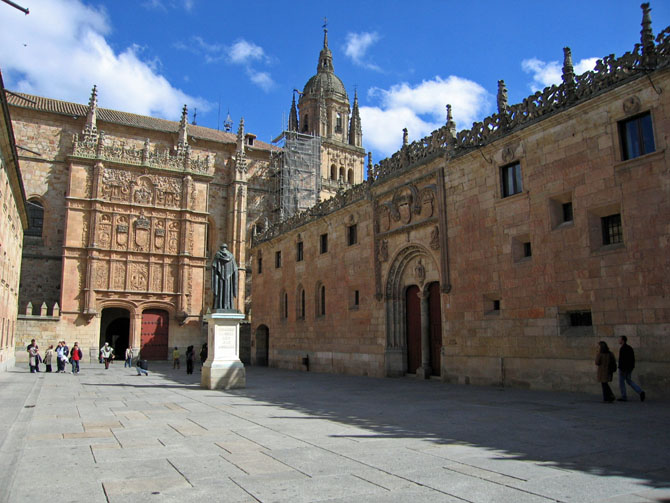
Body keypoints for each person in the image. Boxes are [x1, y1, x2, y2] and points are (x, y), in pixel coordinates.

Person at [618, 336, 646, 402]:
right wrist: (631, 367)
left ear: (623, 340)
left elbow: (622, 360)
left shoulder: (623, 349)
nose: (618, 340)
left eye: (620, 339)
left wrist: (622, 369)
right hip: (629, 368)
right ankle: (640, 391)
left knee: (621, 382)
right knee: (629, 381)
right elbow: (632, 359)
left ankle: (624, 396)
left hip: (623, 368)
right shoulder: (629, 348)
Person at [211, 243, 238, 310]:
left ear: (221, 248)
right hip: (228, 279)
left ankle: (219, 305)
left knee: (220, 290)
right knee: (228, 290)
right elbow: (235, 268)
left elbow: (214, 266)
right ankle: (228, 306)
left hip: (220, 277)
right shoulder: (231, 256)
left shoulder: (217, 255)